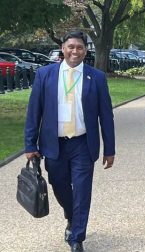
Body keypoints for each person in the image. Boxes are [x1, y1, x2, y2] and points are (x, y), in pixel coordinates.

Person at [23, 31, 115, 252]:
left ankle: (77, 238)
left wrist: (109, 149)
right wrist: (30, 145)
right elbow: (34, 111)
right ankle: (71, 216)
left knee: (82, 190)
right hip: (54, 145)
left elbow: (106, 115)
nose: (75, 51)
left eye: (80, 47)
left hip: (83, 144)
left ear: (86, 51)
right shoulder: (45, 75)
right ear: (63, 48)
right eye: (71, 46)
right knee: (58, 184)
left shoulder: (97, 77)